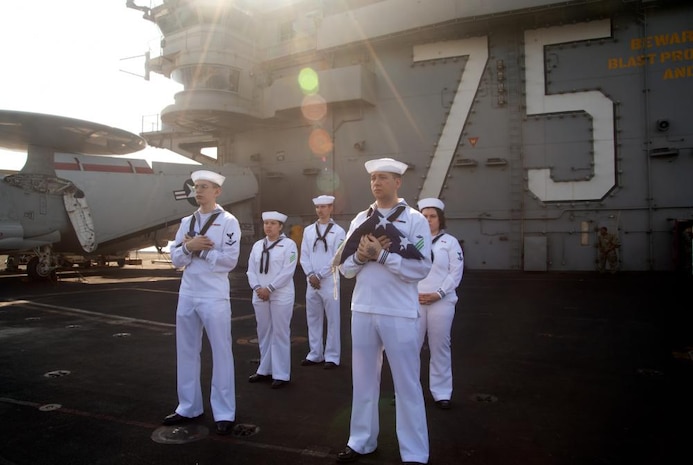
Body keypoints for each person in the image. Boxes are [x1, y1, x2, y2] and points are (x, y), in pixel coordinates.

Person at [335, 158, 432, 465]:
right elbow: (346, 269)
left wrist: (383, 255)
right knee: (362, 381)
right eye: (374, 178)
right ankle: (361, 441)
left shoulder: (414, 219)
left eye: (384, 178)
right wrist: (363, 256)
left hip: (399, 312)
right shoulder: (360, 220)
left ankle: (415, 453)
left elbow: (421, 267)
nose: (377, 183)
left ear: (398, 182)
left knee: (407, 384)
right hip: (363, 308)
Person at [163, 169, 241, 436]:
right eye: (196, 187)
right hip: (188, 292)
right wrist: (187, 247)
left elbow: (230, 261)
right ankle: (188, 406)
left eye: (204, 187)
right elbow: (175, 259)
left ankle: (224, 411)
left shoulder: (228, 221)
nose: (198, 191)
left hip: (214, 295)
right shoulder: (187, 221)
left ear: (217, 191)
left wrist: (202, 249)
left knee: (221, 352)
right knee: (185, 350)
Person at [416, 198, 464, 410]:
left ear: (440, 219)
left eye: (432, 216)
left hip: (441, 302)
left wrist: (439, 293)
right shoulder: (413, 240)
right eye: (424, 217)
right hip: (415, 301)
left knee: (440, 346)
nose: (428, 220)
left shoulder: (450, 242)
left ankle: (442, 392)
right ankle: (409, 391)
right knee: (409, 348)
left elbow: (455, 272)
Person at [246, 211, 298, 389]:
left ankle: (281, 373)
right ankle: (264, 369)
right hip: (259, 294)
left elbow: (288, 270)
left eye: (273, 223)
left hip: (280, 294)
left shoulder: (289, 245)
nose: (268, 226)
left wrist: (270, 288)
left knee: (280, 333)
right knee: (263, 331)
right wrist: (257, 288)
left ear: (281, 226)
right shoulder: (258, 246)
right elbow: (251, 270)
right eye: (266, 223)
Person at [300, 195, 346, 369]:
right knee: (313, 317)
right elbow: (304, 255)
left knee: (333, 318)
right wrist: (311, 274)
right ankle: (315, 353)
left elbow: (338, 257)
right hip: (311, 281)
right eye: (318, 207)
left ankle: (332, 356)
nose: (321, 210)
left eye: (325, 207)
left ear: (331, 208)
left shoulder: (339, 231)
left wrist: (320, 275)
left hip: (329, 281)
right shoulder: (308, 231)